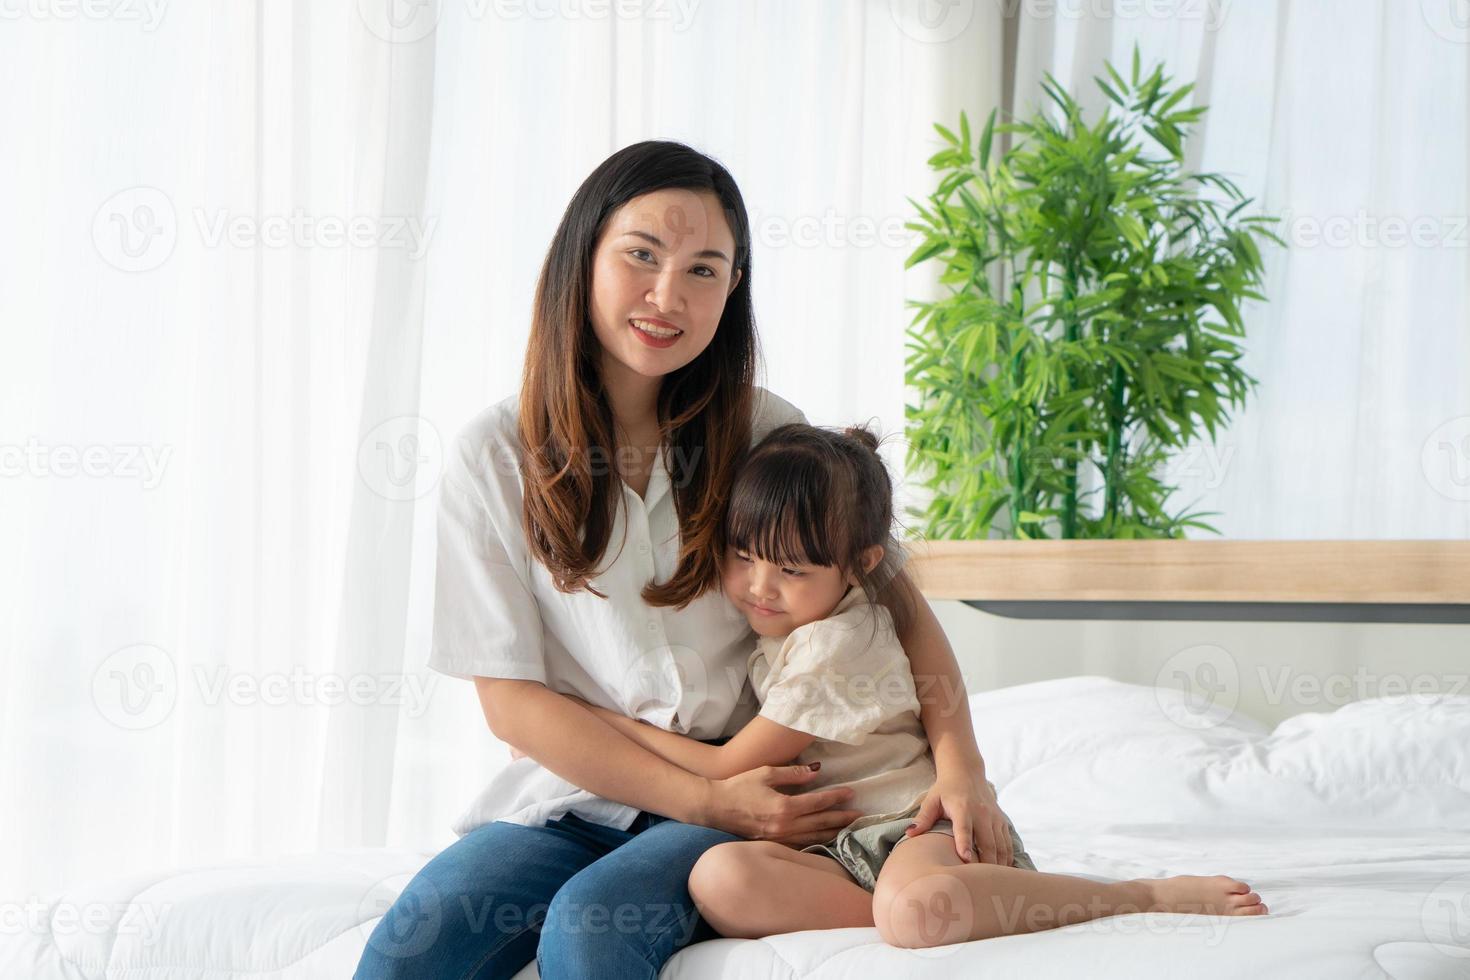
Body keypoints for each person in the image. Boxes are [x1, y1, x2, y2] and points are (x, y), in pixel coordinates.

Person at [355, 139, 1036, 980]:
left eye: (704, 269)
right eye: (641, 255)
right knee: (404, 952)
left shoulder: (768, 431)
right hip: (581, 797)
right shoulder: (493, 456)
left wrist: (963, 764)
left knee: (592, 930)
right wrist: (708, 796)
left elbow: (890, 600)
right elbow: (511, 703)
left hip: (755, 786)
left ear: (733, 287)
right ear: (583, 257)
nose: (667, 295)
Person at [569, 422, 1271, 947]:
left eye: (792, 570)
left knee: (913, 913)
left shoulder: (837, 642)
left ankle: (1137, 894)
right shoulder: (792, 623)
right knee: (718, 879)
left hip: (911, 827)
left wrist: (611, 725)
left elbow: (729, 766)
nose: (759, 587)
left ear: (861, 564)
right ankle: (907, 907)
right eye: (744, 556)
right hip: (836, 853)